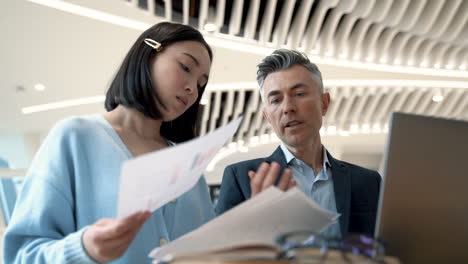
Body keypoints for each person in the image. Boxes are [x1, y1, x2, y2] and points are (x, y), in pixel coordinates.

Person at [3, 22, 215, 264]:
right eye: (185, 67)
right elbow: (21, 255)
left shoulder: (190, 163)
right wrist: (84, 249)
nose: (192, 88)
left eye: (201, 84)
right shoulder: (74, 137)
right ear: (147, 54)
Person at [215, 49, 381, 238]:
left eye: (299, 94)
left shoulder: (367, 182)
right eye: (276, 100)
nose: (288, 108)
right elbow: (220, 255)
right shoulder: (241, 178)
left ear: (324, 103)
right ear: (267, 116)